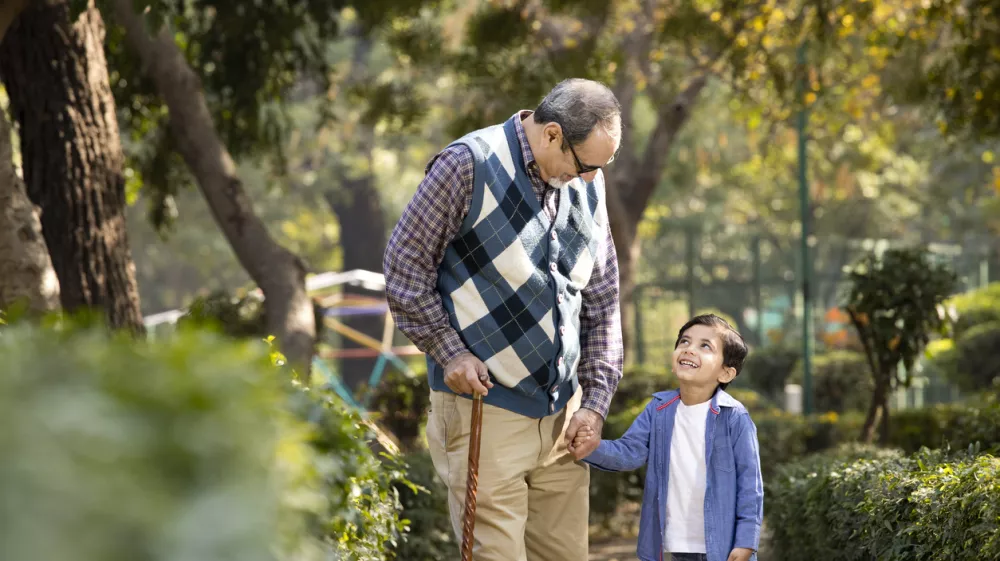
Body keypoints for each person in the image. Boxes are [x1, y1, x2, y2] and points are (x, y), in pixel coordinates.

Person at [383, 78, 624, 560]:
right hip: (483, 413)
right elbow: (404, 267)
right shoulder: (468, 165)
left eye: (604, 166)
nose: (592, 180)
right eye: (587, 165)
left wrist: (595, 404)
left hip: (563, 417)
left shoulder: (586, 187)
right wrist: (447, 350)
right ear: (552, 134)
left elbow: (602, 301)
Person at [571, 314, 764, 561]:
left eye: (705, 346)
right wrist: (593, 447)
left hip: (724, 548)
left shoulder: (735, 418)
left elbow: (750, 486)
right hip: (676, 545)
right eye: (684, 341)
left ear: (726, 373)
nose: (689, 350)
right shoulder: (658, 410)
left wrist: (746, 541)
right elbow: (630, 452)